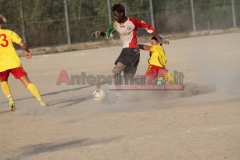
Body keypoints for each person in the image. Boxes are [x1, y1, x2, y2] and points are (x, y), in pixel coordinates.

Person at [92, 3, 169, 101]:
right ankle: (151, 92)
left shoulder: (133, 21)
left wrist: (158, 38)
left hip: (131, 51)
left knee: (116, 71)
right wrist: (101, 33)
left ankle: (119, 97)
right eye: (113, 15)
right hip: (130, 52)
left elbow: (148, 27)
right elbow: (108, 36)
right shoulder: (114, 24)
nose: (114, 17)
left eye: (116, 15)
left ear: (122, 13)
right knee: (128, 79)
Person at [0, 14, 46, 111]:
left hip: (1, 64)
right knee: (26, 81)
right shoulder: (9, 32)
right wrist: (27, 51)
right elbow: (22, 44)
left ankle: (10, 99)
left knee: (3, 81)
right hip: (14, 62)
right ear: (1, 24)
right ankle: (41, 101)